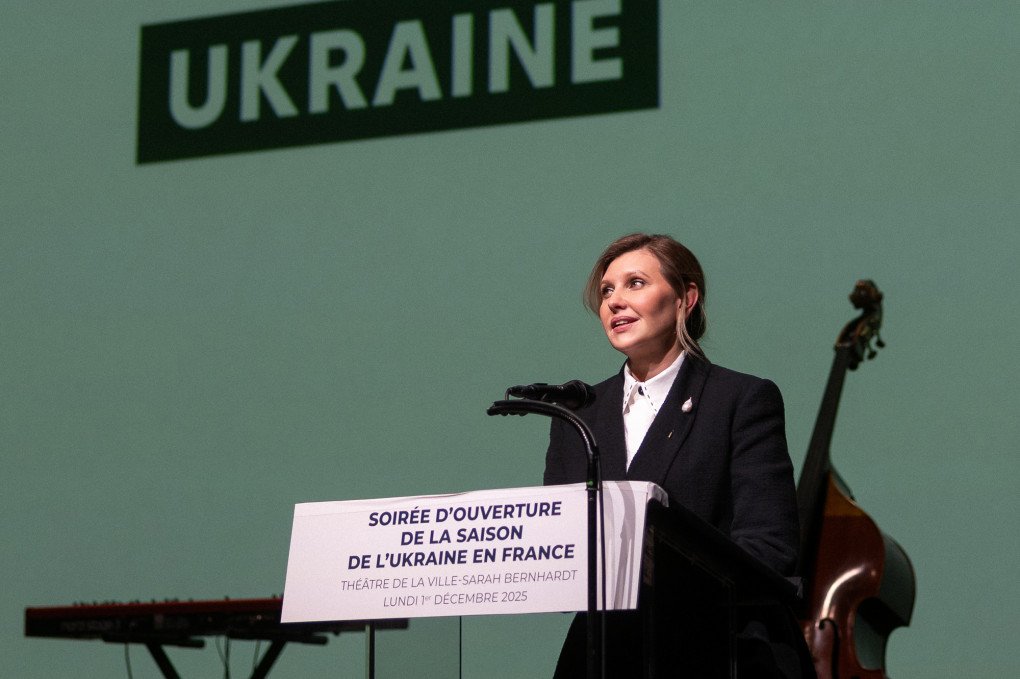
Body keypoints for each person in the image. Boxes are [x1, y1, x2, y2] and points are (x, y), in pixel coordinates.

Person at [543, 233, 809, 678]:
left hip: (718, 649)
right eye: (606, 290)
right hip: (603, 658)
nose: (614, 301)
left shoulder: (740, 400)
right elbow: (560, 551)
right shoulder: (576, 415)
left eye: (635, 283)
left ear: (686, 298)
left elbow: (770, 548)